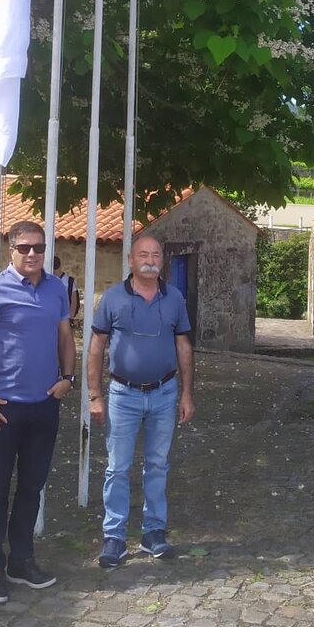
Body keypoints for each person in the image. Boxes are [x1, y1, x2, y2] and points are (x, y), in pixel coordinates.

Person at [0, 220, 76, 605]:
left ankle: (22, 559)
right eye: (25, 247)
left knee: (32, 487)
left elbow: (66, 337)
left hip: (44, 406)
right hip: (4, 409)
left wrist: (68, 378)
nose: (32, 254)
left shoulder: (56, 290)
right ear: (11, 250)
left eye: (39, 248)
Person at [87, 234, 195, 569]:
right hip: (122, 395)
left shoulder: (175, 298)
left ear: (163, 260)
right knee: (117, 467)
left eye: (156, 255)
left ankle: (153, 534)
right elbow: (96, 347)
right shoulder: (112, 298)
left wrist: (187, 393)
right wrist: (94, 395)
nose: (150, 260)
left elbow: (184, 347)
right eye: (143, 254)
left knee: (158, 465)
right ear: (130, 260)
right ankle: (115, 538)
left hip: (165, 393)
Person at [53, 254, 81, 325]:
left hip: (65, 318)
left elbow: (74, 301)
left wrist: (70, 318)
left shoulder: (69, 281)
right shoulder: (49, 280)